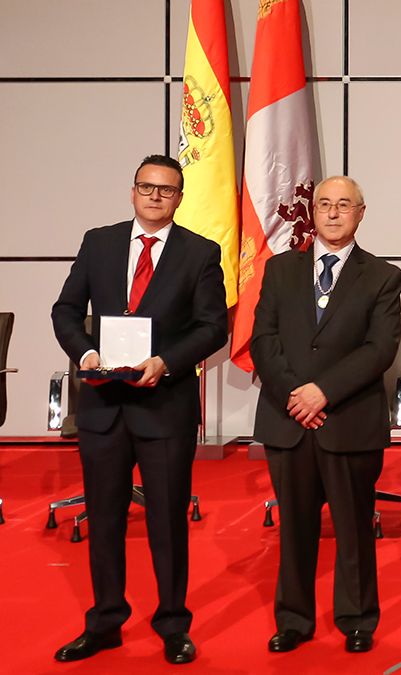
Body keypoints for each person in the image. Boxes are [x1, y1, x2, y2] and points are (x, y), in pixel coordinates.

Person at [50, 154, 227, 664]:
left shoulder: (200, 252)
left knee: (168, 521)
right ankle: (105, 621)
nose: (154, 196)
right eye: (146, 187)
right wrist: (83, 351)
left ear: (179, 197)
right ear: (132, 192)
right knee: (104, 520)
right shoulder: (98, 242)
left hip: (164, 405)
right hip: (104, 404)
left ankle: (173, 623)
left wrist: (167, 362)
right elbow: (65, 309)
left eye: (166, 190)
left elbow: (213, 326)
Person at [250, 176, 401, 655]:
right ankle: (293, 619)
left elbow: (380, 348)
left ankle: (357, 619)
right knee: (294, 527)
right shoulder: (280, 270)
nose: (333, 213)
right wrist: (296, 394)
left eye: (344, 205)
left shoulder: (382, 276)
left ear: (361, 213)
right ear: (311, 212)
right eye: (324, 204)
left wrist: (323, 392)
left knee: (354, 527)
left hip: (349, 420)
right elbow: (263, 341)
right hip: (287, 419)